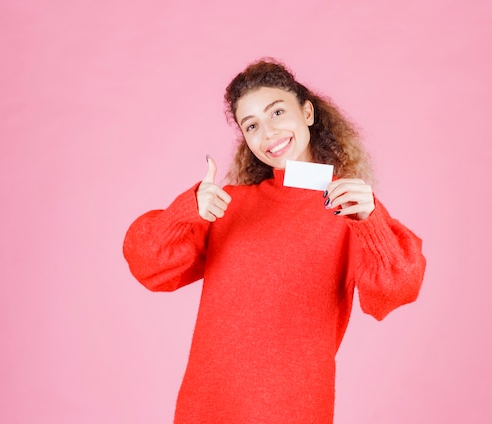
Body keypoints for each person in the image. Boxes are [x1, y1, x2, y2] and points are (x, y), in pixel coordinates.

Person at [123, 58, 426, 423]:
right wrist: (186, 211)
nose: (268, 133)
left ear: (308, 112)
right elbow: (148, 265)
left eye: (277, 112)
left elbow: (398, 289)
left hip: (295, 411)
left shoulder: (350, 208)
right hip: (208, 408)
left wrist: (371, 222)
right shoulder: (229, 205)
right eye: (252, 125)